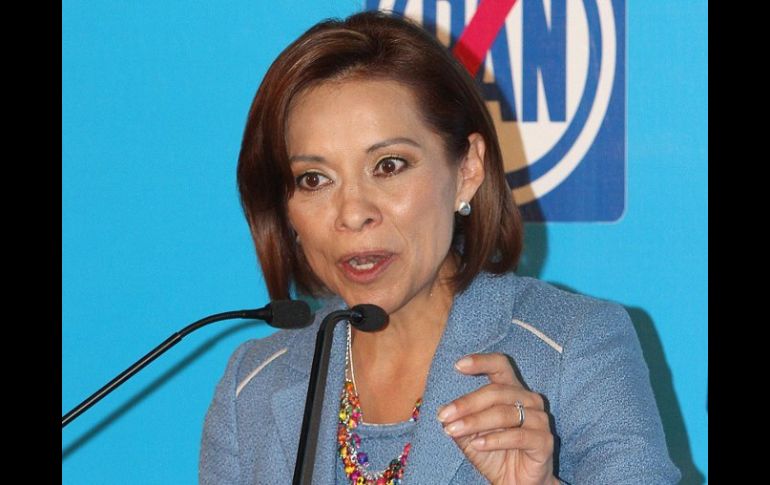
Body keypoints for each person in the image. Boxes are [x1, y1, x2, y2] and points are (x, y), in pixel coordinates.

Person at [200, 10, 680, 484]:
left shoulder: (572, 347)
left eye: (389, 165)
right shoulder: (251, 385)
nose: (352, 213)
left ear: (467, 171)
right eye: (314, 179)